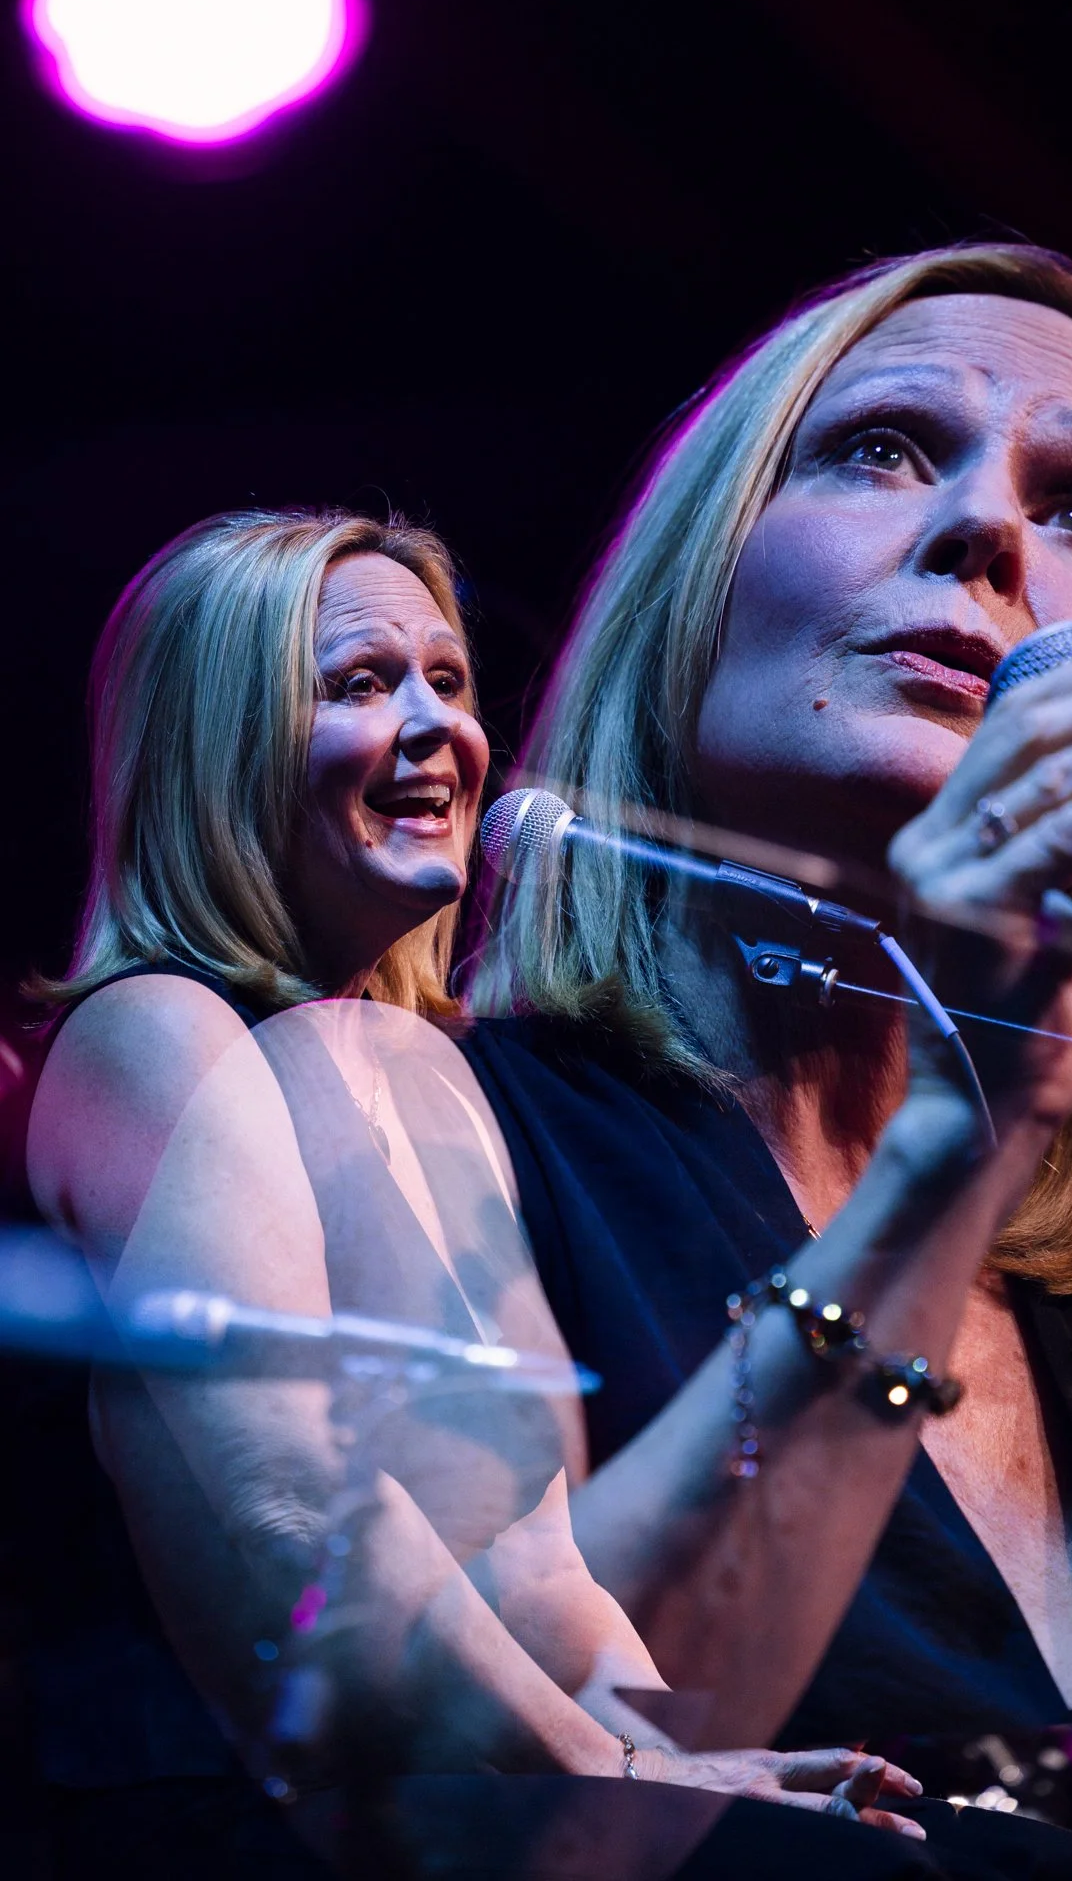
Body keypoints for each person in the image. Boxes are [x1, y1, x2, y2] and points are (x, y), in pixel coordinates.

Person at [463, 244, 1072, 1861]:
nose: (986, 530)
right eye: (880, 447)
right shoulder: (423, 1128)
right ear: (702, 573)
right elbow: (543, 1800)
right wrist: (954, 1145)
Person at [21, 509, 930, 1878]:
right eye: (359, 682)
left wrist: (688, 1767)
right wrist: (621, 1781)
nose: (435, 726)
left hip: (447, 1813)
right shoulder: (148, 1033)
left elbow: (531, 1558)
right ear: (220, 746)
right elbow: (286, 1490)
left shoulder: (424, 1081)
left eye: (447, 680)